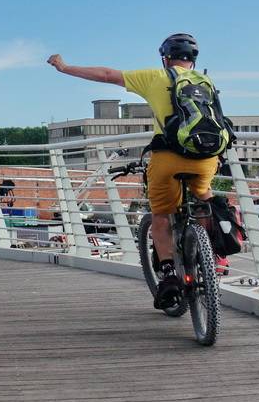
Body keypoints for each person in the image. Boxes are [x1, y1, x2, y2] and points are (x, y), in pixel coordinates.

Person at [47, 33, 221, 311]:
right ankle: (215, 253)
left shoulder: (155, 77)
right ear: (194, 60)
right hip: (206, 158)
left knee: (162, 215)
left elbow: (106, 74)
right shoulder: (206, 82)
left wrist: (65, 68)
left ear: (165, 57)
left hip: (168, 159)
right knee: (205, 197)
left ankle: (169, 277)